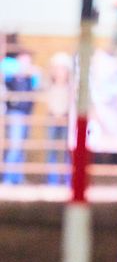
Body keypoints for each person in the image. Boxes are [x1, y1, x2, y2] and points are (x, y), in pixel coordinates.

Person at [2, 51, 39, 184]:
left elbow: (39, 88)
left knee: (21, 147)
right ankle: (8, 179)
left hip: (26, 115)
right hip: (15, 114)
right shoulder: (11, 78)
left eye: (28, 61)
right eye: (23, 61)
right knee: (15, 146)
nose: (26, 64)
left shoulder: (31, 78)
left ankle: (17, 178)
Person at [45, 52, 73, 185]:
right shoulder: (50, 86)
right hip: (53, 119)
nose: (60, 72)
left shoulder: (70, 88)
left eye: (62, 69)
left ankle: (67, 180)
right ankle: (53, 180)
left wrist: (63, 115)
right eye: (57, 69)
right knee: (52, 150)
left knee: (67, 150)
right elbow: (49, 102)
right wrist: (56, 115)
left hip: (66, 120)